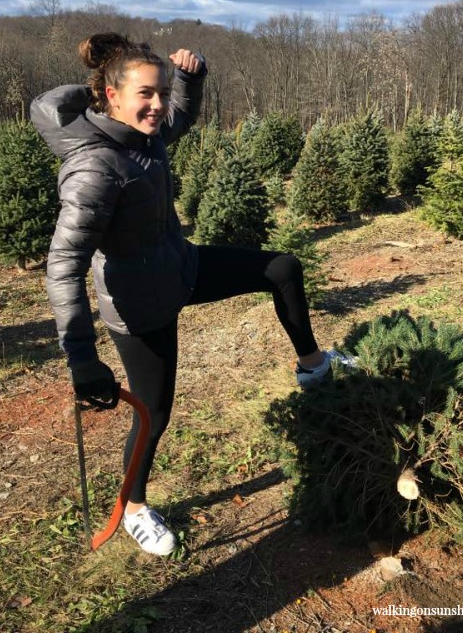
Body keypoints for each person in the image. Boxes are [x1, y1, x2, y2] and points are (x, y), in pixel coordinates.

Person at [31, 32, 347, 556]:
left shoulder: (145, 135)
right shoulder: (94, 168)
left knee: (283, 268)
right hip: (140, 304)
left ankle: (313, 366)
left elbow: (181, 116)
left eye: (160, 91)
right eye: (145, 95)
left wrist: (191, 80)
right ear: (110, 97)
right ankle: (133, 507)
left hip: (182, 266)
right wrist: (81, 359)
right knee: (154, 413)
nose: (158, 105)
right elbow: (64, 267)